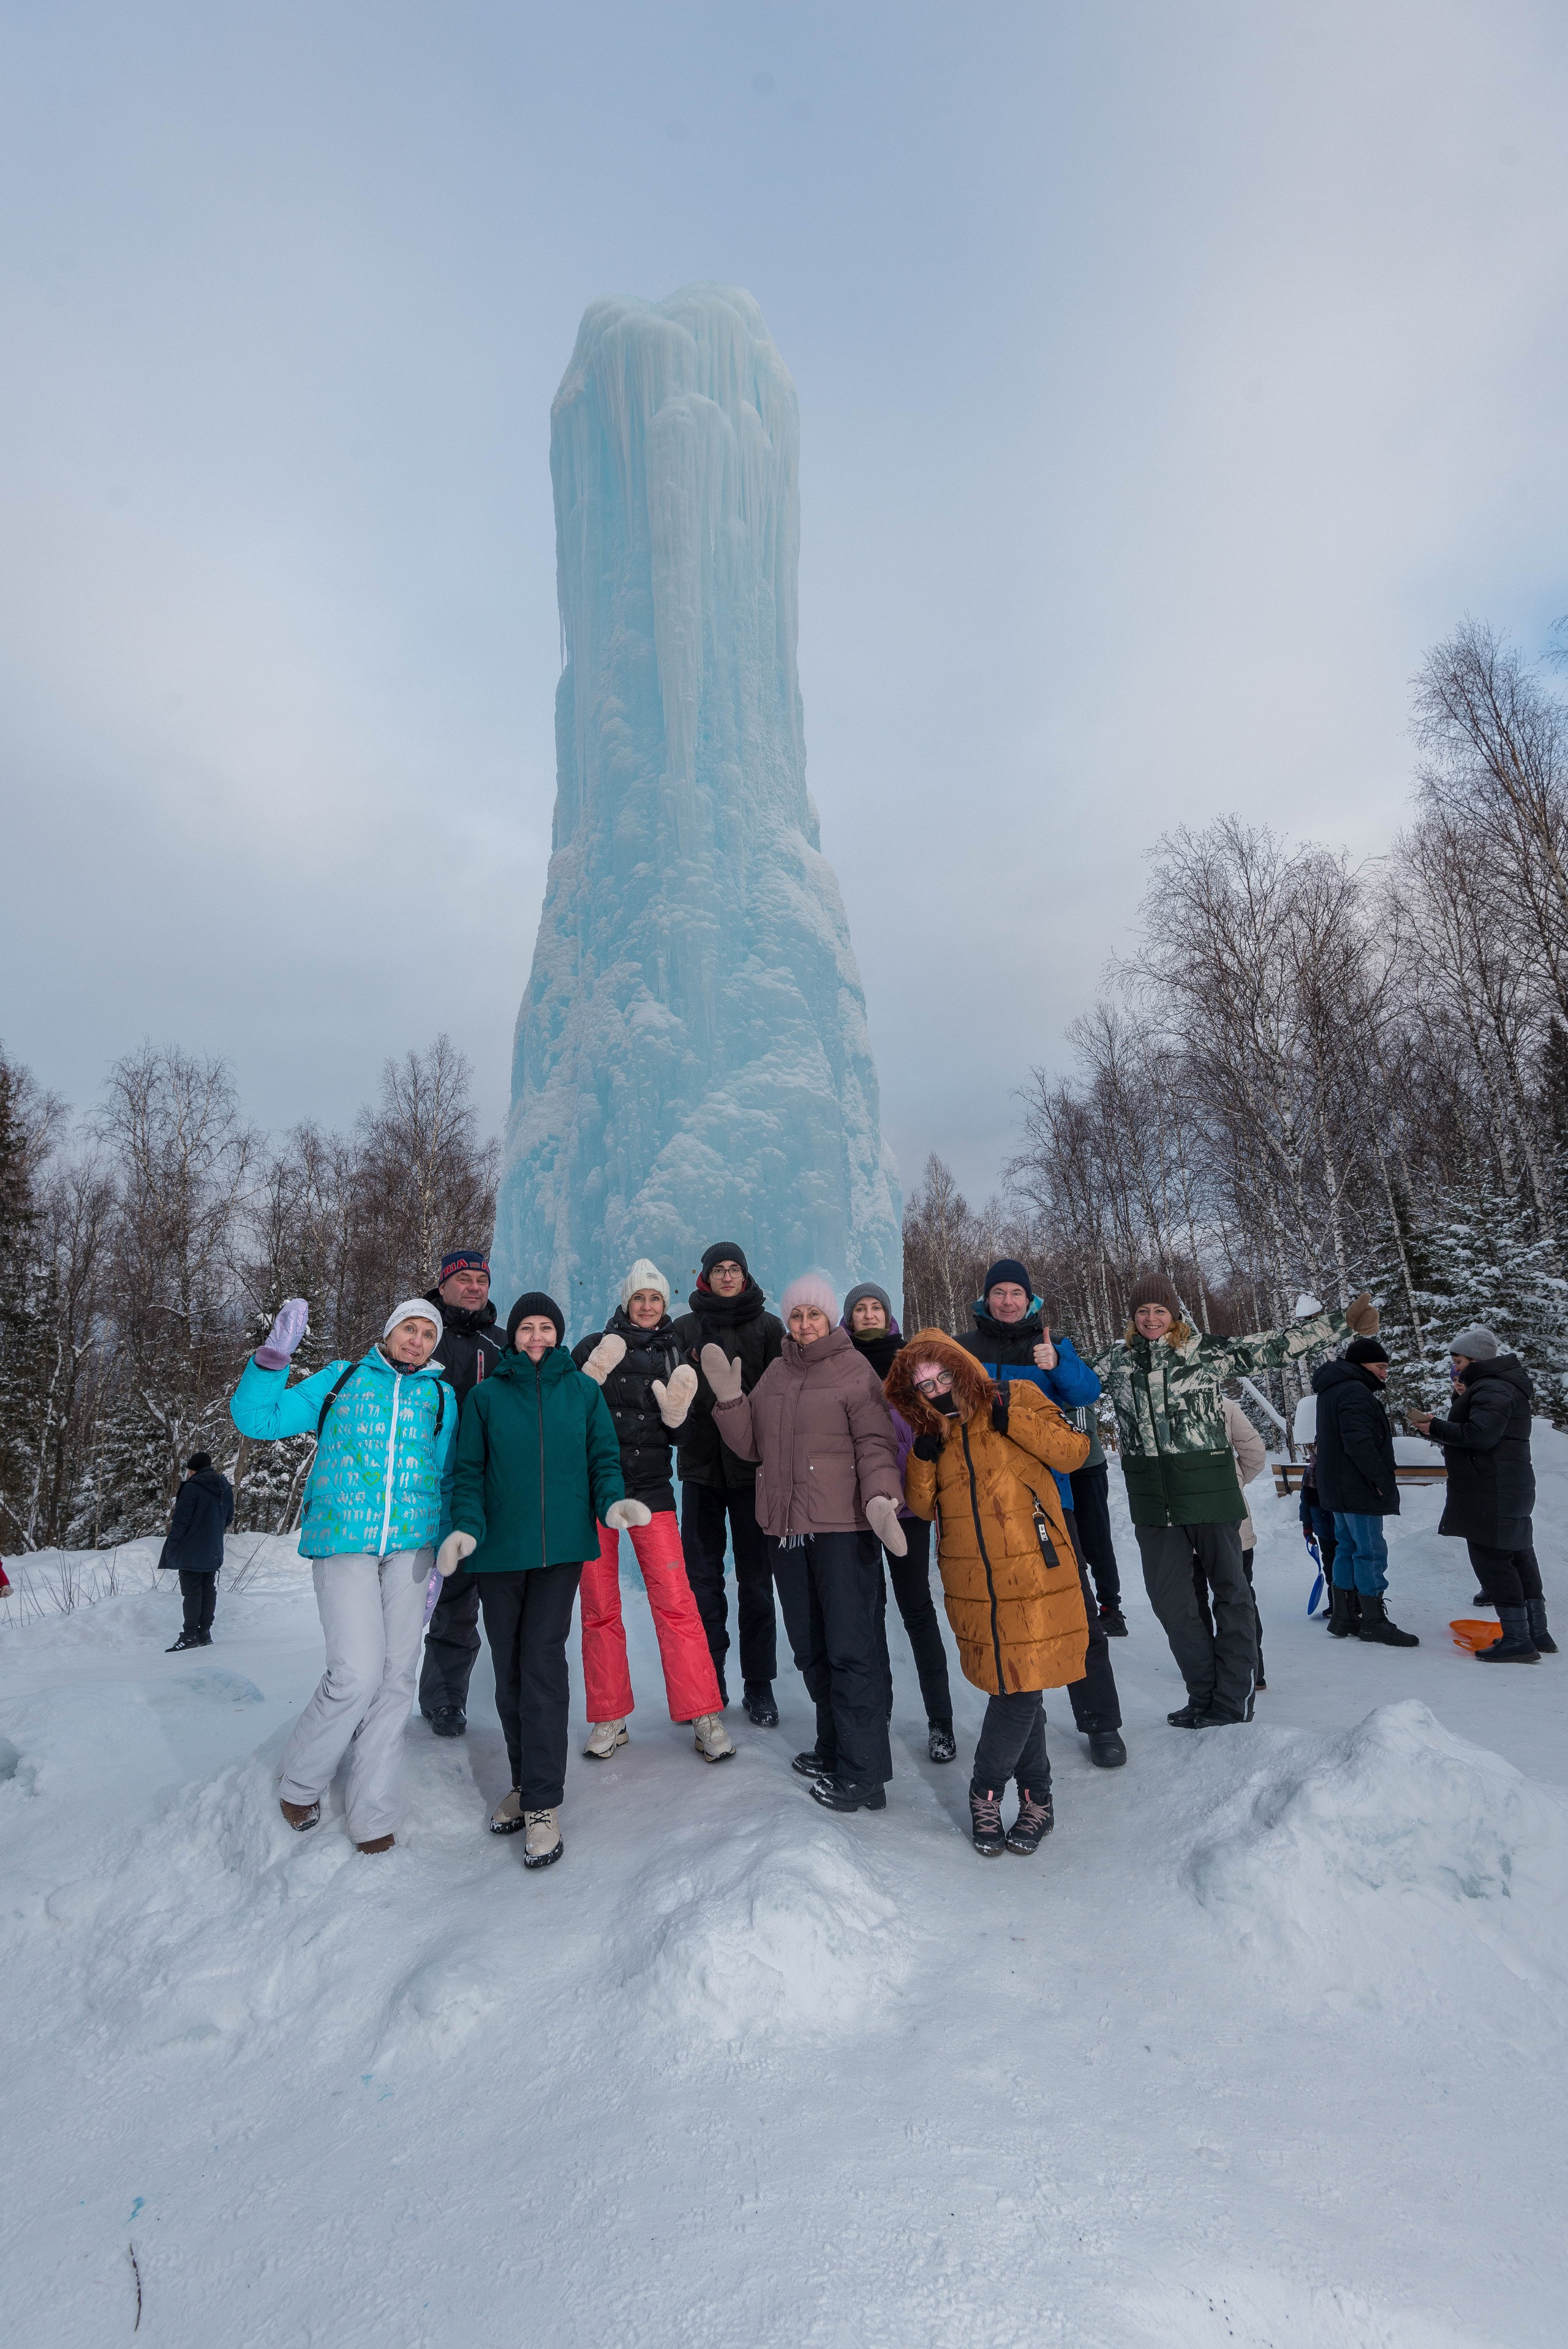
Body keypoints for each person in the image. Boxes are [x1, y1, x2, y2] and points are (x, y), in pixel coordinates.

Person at [1091, 1272, 1380, 1725]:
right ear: (1132, 1316)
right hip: (1153, 1501)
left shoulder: (1203, 1351)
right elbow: (1069, 1384)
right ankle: (1202, 1694)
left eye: (1160, 1310)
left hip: (1210, 1495)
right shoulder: (1117, 1361)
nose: (1151, 1318)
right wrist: (1044, 1358)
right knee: (1172, 1604)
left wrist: (1341, 1325)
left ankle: (1232, 1699)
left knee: (1232, 1595)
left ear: (1174, 1314)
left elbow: (1271, 1347)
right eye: (1143, 1311)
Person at [230, 1297, 456, 1853]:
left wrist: (443, 1555)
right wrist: (272, 1361)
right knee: (356, 1672)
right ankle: (301, 1780)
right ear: (390, 1329)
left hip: (414, 1548)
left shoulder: (440, 1397)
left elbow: (445, 1474)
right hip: (343, 1537)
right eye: (409, 1328)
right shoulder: (343, 1378)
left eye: (428, 1333)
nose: (417, 1340)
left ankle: (372, 1813)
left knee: (397, 1679)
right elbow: (258, 1420)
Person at [443, 1291, 647, 1869]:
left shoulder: (582, 1391)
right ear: (513, 1335)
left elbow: (603, 1459)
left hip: (560, 1551)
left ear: (559, 1334)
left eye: (546, 1327)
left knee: (541, 1663)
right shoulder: (485, 1397)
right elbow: (469, 1471)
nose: (537, 1336)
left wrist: (611, 1503)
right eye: (527, 1327)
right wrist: (466, 1528)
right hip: (498, 1555)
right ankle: (523, 1780)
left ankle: (543, 1803)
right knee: (509, 1672)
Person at [704, 1273, 905, 1814]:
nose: (805, 1323)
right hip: (787, 1527)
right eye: (797, 1315)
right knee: (810, 1646)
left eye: (814, 1314)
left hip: (842, 1529)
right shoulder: (777, 1371)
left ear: (829, 1317)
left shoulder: (854, 1370)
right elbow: (752, 1445)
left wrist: (881, 1496)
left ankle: (865, 1773)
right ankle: (834, 1745)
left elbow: (876, 1441)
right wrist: (730, 1401)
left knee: (850, 1647)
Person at [888, 1332, 1093, 1857]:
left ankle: (985, 1790)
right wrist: (922, 1459)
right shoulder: (932, 1430)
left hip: (1032, 1571)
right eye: (925, 1385)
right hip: (974, 1583)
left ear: (961, 1366)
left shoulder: (1015, 1395)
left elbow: (1074, 1452)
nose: (938, 1389)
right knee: (1018, 1684)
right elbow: (922, 1507)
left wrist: (1012, 1420)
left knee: (1018, 1690)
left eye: (944, 1376)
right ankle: (1039, 1800)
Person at [958, 1261, 1126, 1766]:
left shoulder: (1051, 1345)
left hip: (1048, 1502)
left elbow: (1087, 1392)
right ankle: (1024, 1707)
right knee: (1004, 1612)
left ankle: (1101, 1722)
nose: (1008, 1301)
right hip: (986, 1505)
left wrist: (1056, 1364)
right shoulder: (963, 1349)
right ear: (986, 1298)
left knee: (1075, 1610)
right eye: (999, 1292)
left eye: (1017, 1293)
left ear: (1030, 1300)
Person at [571, 1259, 734, 1761]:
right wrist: (589, 1378)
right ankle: (609, 1715)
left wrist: (677, 1416)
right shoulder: (593, 1347)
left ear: (665, 1304)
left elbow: (683, 1435)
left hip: (651, 1491)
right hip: (596, 1490)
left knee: (675, 1600)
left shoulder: (674, 1353)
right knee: (599, 1606)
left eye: (655, 1298)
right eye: (639, 1297)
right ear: (626, 1302)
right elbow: (565, 1418)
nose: (646, 1305)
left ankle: (703, 1712)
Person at [841, 1280, 957, 1763]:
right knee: (868, 1615)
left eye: (876, 1307)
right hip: (856, 1508)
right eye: (860, 1308)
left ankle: (941, 1721)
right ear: (849, 1317)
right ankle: (879, 1713)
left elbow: (943, 1413)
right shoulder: (838, 1362)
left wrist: (930, 1452)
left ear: (888, 1315)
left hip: (908, 1504)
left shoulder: (912, 1362)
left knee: (917, 1610)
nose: (869, 1314)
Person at [672, 1243, 785, 1725]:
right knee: (702, 1581)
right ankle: (709, 1678)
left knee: (756, 1581)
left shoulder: (769, 1327)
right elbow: (667, 1390)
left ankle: (759, 1684)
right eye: (717, 1269)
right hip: (700, 1469)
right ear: (705, 1276)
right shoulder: (684, 1328)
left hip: (752, 1471)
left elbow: (783, 1396)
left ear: (745, 1274)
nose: (725, 1276)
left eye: (733, 1268)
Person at [1410, 1325, 1555, 1664]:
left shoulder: (1493, 1387)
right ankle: (1536, 1632)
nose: (1455, 1367)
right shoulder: (1498, 1385)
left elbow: (1480, 1436)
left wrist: (1435, 1426)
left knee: (1493, 1561)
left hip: (1491, 1488)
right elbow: (1484, 1430)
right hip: (1506, 1484)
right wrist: (1455, 1408)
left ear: (1476, 1360)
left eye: (1459, 1361)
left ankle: (1518, 1640)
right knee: (1518, 1555)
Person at [418, 1249, 507, 1739]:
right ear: (443, 1283)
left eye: (482, 1280)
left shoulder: (502, 1342)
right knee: (431, 1592)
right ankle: (424, 1693)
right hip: (424, 1487)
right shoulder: (422, 1335)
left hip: (488, 1486)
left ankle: (452, 1697)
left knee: (472, 1591)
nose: (474, 1287)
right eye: (465, 1279)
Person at [1312, 1337, 1418, 1646]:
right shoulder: (1354, 1391)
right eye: (1380, 1366)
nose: (1385, 1372)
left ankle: (1344, 1618)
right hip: (1358, 1485)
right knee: (1370, 1551)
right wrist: (1380, 1480)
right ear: (1362, 1364)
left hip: (1338, 1485)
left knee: (1346, 1547)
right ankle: (1373, 1622)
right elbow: (1359, 1442)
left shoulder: (1333, 1389)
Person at [160, 1449, 235, 1651]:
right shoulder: (223, 1487)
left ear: (193, 1470)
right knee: (208, 1589)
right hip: (213, 1548)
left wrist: (172, 1547)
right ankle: (204, 1633)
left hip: (191, 1549)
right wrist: (212, 1531)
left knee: (192, 1593)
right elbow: (229, 1517)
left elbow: (181, 1522)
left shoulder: (192, 1488)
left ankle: (190, 1635)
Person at [1219, 1397, 1268, 1687]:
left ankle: (1207, 1669)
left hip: (1182, 1524)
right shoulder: (1224, 1403)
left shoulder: (1154, 1398)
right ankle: (1252, 1669)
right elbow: (1255, 1454)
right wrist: (1233, 1482)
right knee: (1240, 1596)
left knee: (1195, 1599)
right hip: (1234, 1521)